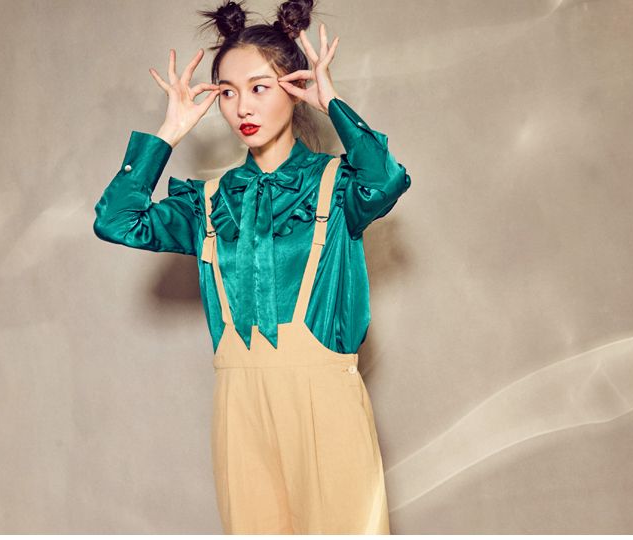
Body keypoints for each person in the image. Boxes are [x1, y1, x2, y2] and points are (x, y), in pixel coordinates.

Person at [93, 0, 410, 534]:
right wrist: (167, 134)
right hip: (239, 409)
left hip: (326, 402)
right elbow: (117, 221)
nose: (243, 106)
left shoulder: (337, 186)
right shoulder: (207, 203)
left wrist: (332, 103)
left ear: (294, 88)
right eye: (227, 92)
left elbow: (386, 179)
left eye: (260, 87)